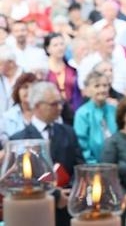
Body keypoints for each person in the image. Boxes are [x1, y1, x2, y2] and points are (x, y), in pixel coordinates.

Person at [10, 81, 85, 226]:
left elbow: (79, 165)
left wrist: (71, 191)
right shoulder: (19, 139)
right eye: (54, 104)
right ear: (37, 106)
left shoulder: (67, 132)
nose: (59, 107)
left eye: (60, 103)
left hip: (67, 206)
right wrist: (54, 194)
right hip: (35, 207)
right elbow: (19, 178)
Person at [73, 70, 117, 163]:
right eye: (97, 86)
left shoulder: (114, 110)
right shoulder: (82, 113)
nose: (102, 89)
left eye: (105, 86)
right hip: (93, 166)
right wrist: (93, 165)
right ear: (87, 90)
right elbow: (82, 144)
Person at [0, 71, 38, 144]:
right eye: (25, 87)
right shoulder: (7, 117)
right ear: (17, 90)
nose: (29, 91)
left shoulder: (46, 114)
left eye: (33, 87)